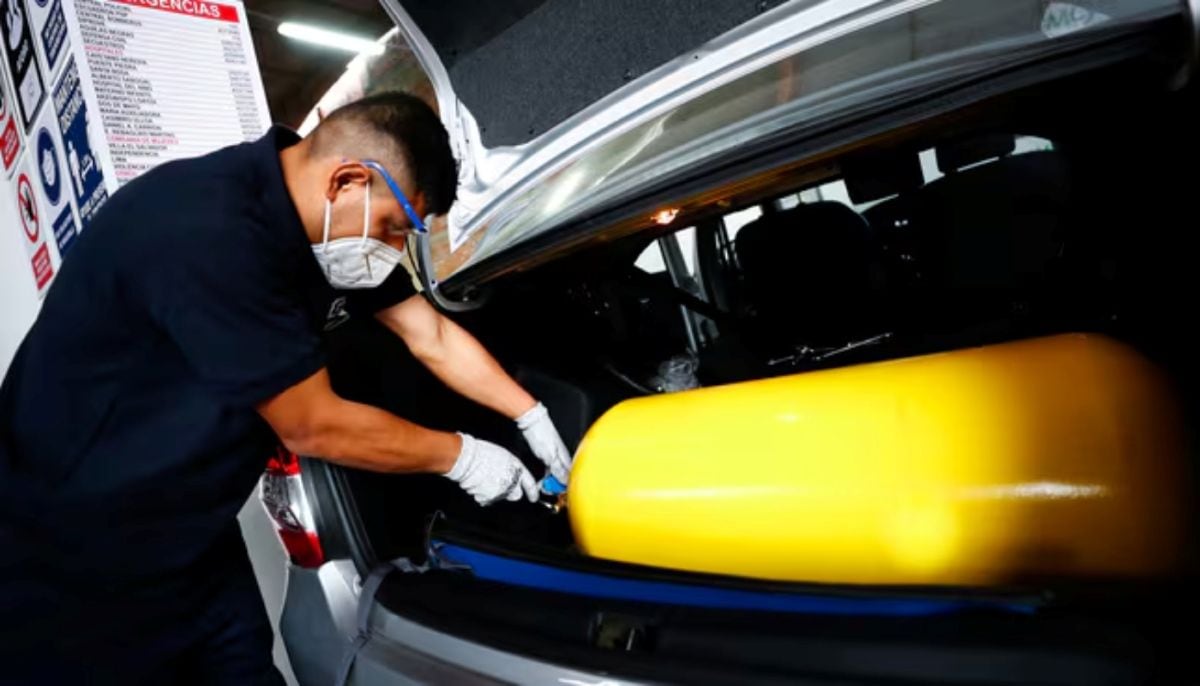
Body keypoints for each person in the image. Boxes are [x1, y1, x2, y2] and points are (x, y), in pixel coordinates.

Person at [0, 91, 572, 684]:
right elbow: (312, 424)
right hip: (65, 557)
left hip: (191, 541)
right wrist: (462, 456)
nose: (394, 250)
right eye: (394, 228)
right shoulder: (205, 230)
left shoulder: (328, 240)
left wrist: (529, 413)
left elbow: (430, 334)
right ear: (347, 181)